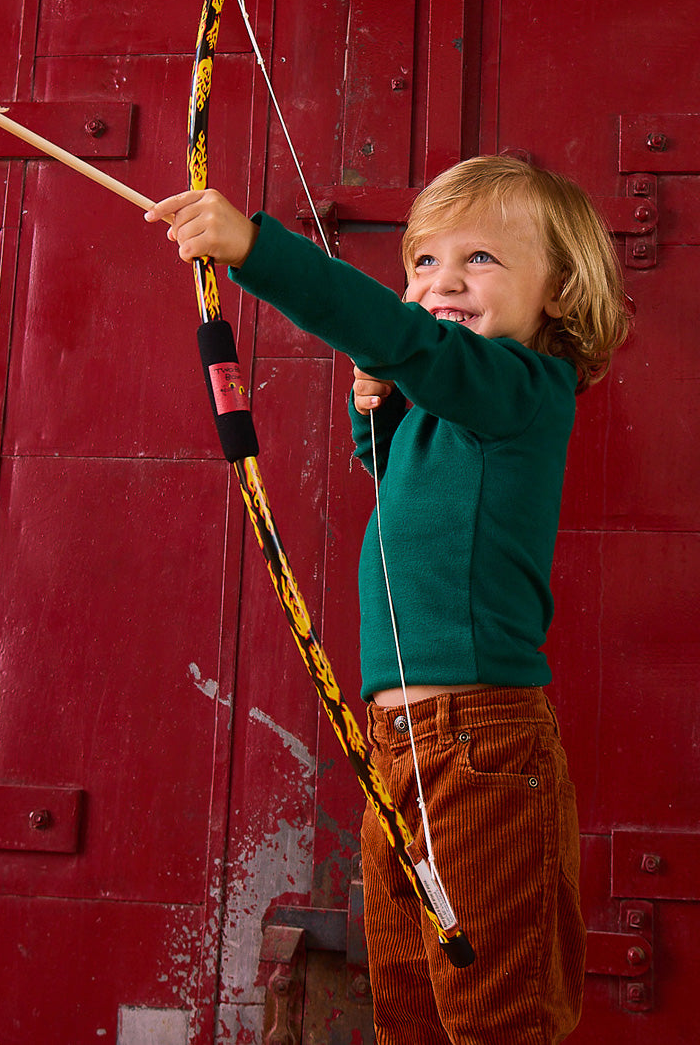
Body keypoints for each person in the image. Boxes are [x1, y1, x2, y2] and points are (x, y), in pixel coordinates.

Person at [147, 156, 629, 1045]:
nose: (441, 280)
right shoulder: (454, 406)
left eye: (479, 259)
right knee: (410, 1006)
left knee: (494, 1013)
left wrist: (255, 251)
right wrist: (379, 417)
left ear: (559, 291)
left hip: (480, 745)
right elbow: (414, 481)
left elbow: (405, 341)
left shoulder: (523, 390)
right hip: (400, 750)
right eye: (422, 263)